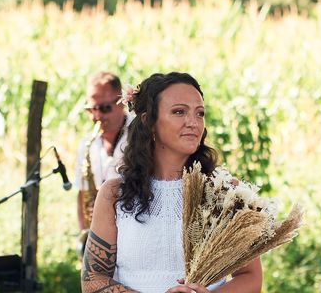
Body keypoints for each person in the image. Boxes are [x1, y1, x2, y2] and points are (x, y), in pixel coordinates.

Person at [81, 72, 263, 293]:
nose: (193, 122)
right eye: (179, 112)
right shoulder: (114, 193)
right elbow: (92, 279)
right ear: (149, 121)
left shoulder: (223, 193)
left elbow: (250, 276)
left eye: (200, 113)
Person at [74, 72, 130, 245]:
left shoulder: (142, 136)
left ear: (121, 103)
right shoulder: (87, 145)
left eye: (105, 108)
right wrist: (86, 236)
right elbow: (82, 195)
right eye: (91, 109)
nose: (97, 116)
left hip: (131, 229)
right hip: (101, 236)